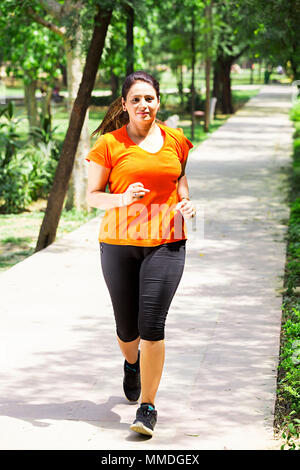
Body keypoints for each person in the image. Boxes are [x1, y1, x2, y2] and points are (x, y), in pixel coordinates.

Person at [85, 70, 195, 437]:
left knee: (152, 326)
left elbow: (178, 179)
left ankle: (147, 407)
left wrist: (185, 202)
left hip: (166, 242)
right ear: (124, 104)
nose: (143, 105)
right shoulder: (108, 145)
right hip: (118, 243)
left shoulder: (176, 139)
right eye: (136, 99)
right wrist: (121, 198)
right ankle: (131, 363)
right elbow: (92, 195)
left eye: (149, 98)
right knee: (127, 327)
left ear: (158, 101)